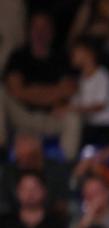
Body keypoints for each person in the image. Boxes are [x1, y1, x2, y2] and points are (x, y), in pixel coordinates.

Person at [0, 12, 82, 160]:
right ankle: (1, 151)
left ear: (52, 32)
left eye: (44, 27)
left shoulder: (61, 57)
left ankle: (66, 167)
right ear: (29, 30)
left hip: (52, 117)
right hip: (22, 116)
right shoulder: (18, 56)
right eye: (35, 27)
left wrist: (30, 91)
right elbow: (16, 91)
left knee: (73, 117)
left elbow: (69, 90)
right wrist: (54, 92)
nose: (39, 32)